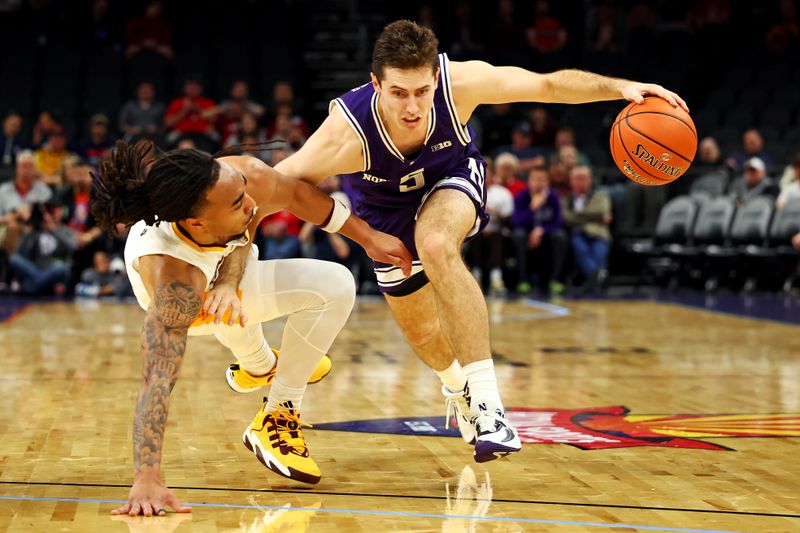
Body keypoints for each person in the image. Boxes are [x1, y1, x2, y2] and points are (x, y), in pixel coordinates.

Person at [274, 19, 687, 462]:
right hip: (383, 215)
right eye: (398, 93)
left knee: (434, 243)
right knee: (423, 334)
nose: (412, 107)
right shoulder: (343, 132)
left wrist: (623, 88)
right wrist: (356, 233)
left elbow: (546, 85)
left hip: (450, 180)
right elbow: (279, 188)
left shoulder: (460, 84)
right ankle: (459, 390)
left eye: (421, 91)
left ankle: (490, 406)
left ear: (435, 77)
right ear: (376, 84)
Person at [95, 140, 411, 516]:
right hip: (196, 309)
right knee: (220, 309)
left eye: (244, 194)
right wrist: (147, 477)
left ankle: (277, 406)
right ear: (196, 222)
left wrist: (369, 238)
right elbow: (156, 381)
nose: (252, 206)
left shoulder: (238, 178)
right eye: (237, 204)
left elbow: (297, 195)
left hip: (226, 271)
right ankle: (259, 365)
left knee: (335, 285)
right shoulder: (174, 283)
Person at [510, 166, 567, 297]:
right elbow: (516, 222)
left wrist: (541, 230)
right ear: (529, 181)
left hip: (545, 234)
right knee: (518, 235)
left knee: (560, 236)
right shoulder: (521, 196)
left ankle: (555, 280)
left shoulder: (553, 196)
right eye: (535, 179)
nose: (538, 183)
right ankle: (522, 280)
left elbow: (558, 222)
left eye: (542, 180)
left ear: (547, 182)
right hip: (525, 233)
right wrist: (532, 208)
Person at [562, 165, 612, 292]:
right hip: (577, 234)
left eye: (583, 178)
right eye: (577, 178)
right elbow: (566, 217)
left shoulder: (601, 196)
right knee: (580, 248)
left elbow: (602, 212)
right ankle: (597, 277)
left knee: (598, 253)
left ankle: (592, 281)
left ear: (590, 180)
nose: (580, 182)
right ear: (571, 181)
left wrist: (578, 217)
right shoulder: (565, 199)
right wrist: (594, 217)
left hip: (599, 234)